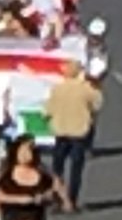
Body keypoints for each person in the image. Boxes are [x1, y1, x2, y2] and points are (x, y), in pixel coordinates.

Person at [42, 56, 103, 206]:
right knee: (76, 168)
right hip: (79, 132)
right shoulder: (86, 89)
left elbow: (47, 111)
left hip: (61, 132)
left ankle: (58, 197)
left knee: (57, 168)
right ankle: (72, 199)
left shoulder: (57, 89)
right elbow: (97, 105)